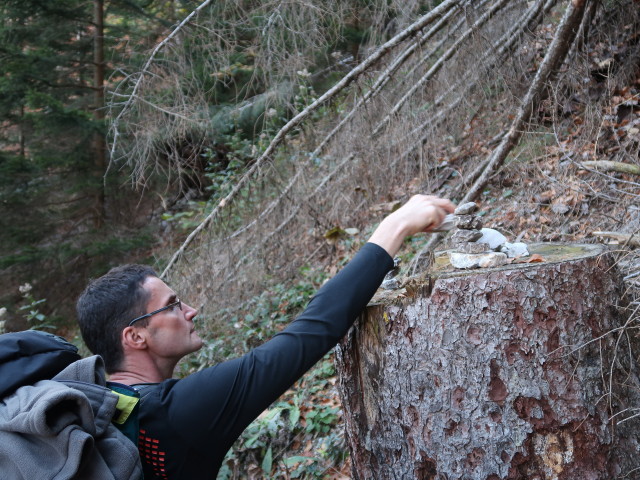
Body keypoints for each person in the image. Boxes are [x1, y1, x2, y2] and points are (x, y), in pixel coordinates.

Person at [76, 194, 455, 479]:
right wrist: (396, 226)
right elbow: (309, 334)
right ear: (135, 336)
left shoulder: (95, 408)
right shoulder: (175, 412)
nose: (190, 311)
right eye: (173, 305)